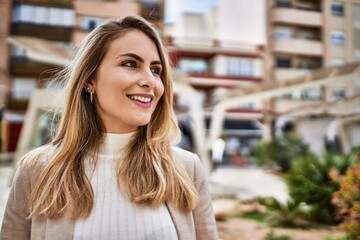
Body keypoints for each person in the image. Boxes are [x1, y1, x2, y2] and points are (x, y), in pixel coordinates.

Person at [0, 16, 218, 240]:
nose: (150, 81)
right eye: (130, 64)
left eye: (156, 70)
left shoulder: (187, 168)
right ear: (89, 79)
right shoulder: (35, 170)